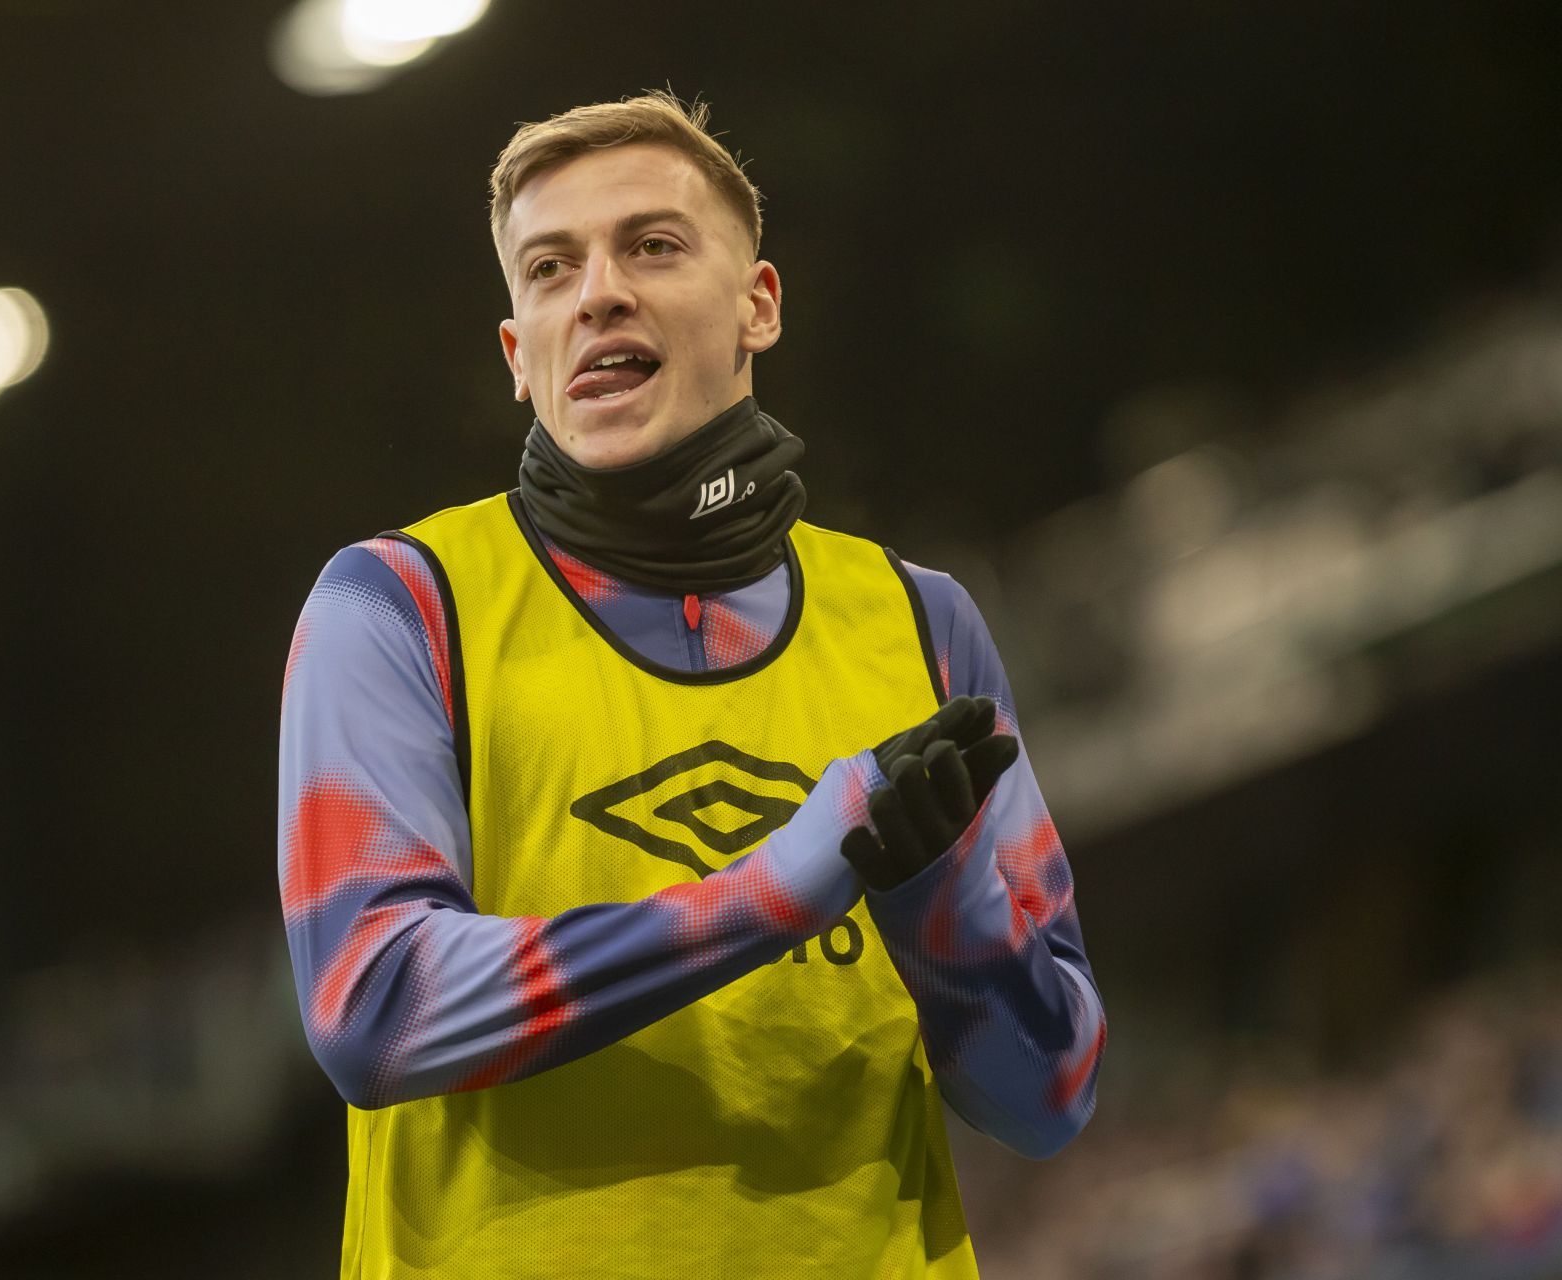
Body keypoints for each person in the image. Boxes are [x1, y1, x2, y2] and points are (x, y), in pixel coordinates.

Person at [277, 91, 1106, 1279]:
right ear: (519, 355)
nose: (597, 292)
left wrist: (939, 909)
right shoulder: (397, 605)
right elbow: (374, 1005)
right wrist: (775, 887)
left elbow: (1053, 1094)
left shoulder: (922, 622)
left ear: (757, 304)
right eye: (550, 268)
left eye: (652, 246)